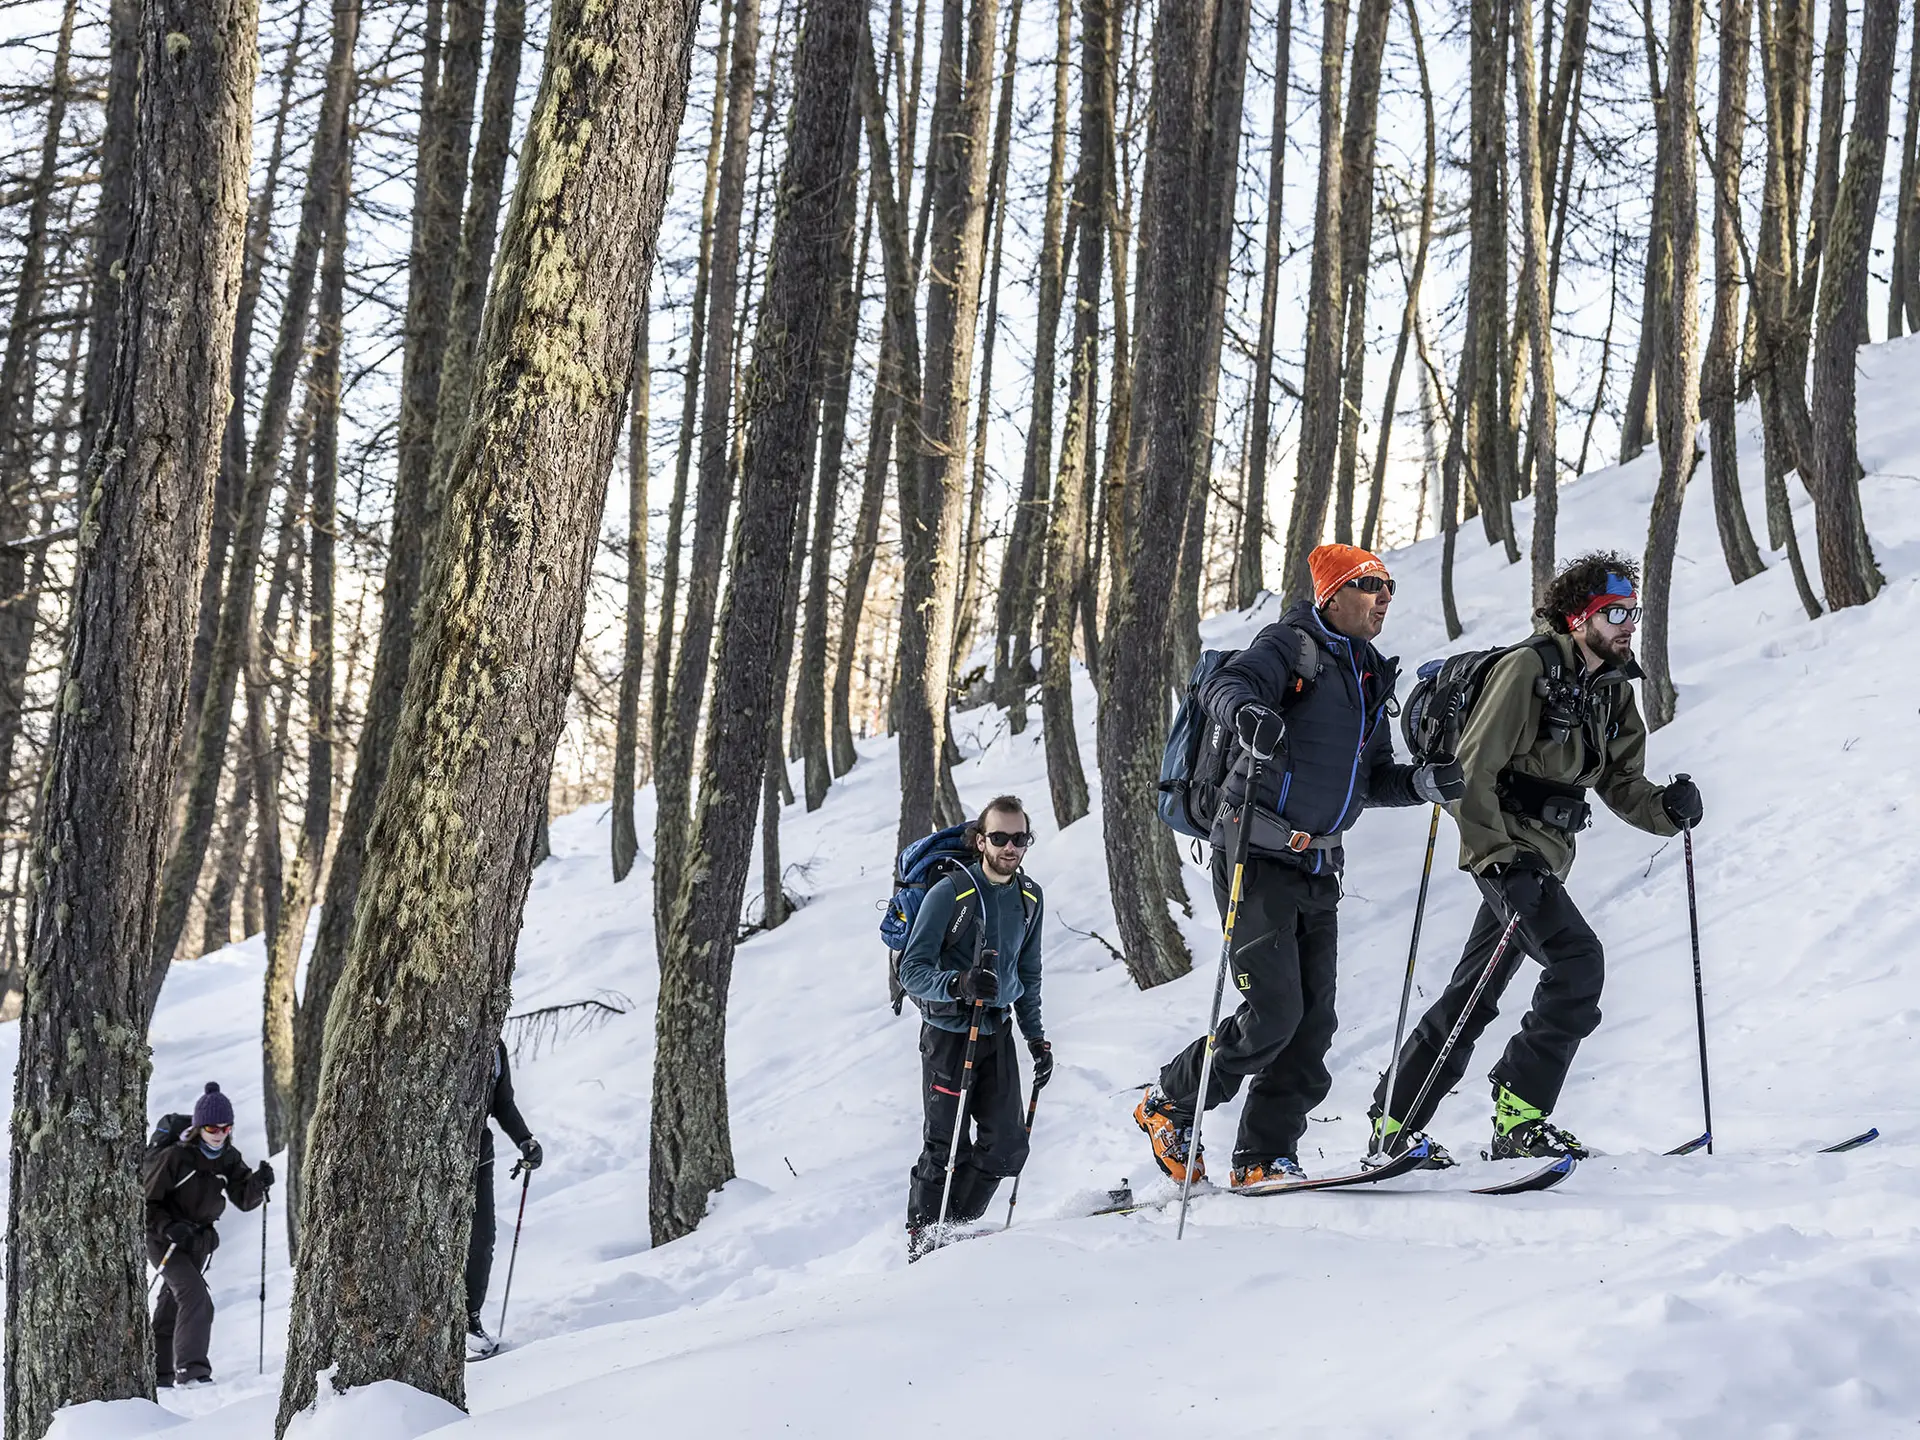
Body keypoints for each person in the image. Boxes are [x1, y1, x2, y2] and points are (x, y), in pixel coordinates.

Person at [1135, 544, 1464, 1188]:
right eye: (1371, 586)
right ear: (1332, 594)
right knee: (1274, 1013)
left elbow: (1369, 779)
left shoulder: (1370, 674)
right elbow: (1222, 684)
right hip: (1252, 855)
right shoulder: (1290, 645)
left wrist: (1424, 783)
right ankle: (1169, 1103)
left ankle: (1262, 1156)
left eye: (1390, 587)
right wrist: (1249, 714)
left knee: (1313, 1027)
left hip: (1319, 866)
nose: (1384, 598)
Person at [1369, 551, 1703, 1161]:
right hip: (1506, 852)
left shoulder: (1613, 691)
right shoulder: (1527, 669)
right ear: (1579, 618)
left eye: (1635, 611)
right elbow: (1470, 771)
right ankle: (1519, 1113)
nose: (1631, 623)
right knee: (1578, 961)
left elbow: (1623, 787)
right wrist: (1498, 860)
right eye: (1616, 612)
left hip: (1542, 860)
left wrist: (1668, 809)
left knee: (1475, 989)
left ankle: (1395, 1121)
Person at [895, 795, 1049, 1258]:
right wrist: (958, 983)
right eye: (1000, 837)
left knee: (1007, 1147)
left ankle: (954, 1228)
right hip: (949, 1033)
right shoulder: (951, 893)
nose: (1010, 847)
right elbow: (912, 970)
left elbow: (1029, 973)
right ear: (980, 840)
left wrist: (1036, 1036)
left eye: (1019, 838)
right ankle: (923, 1237)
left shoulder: (1029, 896)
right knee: (944, 1147)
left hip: (997, 1030)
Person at [141, 1083, 272, 1387]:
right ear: (200, 1126)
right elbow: (147, 1203)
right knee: (196, 1298)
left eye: (226, 1127)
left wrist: (258, 1183)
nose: (219, 1133)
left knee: (173, 1303)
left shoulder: (228, 1157)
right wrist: (169, 1227)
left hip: (198, 1242)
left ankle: (159, 1375)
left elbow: (243, 1198)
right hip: (165, 1240)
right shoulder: (175, 1157)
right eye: (213, 1127)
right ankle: (193, 1372)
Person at [467, 1038, 543, 1356]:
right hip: (429, 1159)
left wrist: (525, 1140)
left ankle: (469, 1321)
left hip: (478, 1155)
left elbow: (504, 1104)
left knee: (482, 1238)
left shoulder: (494, 1047)